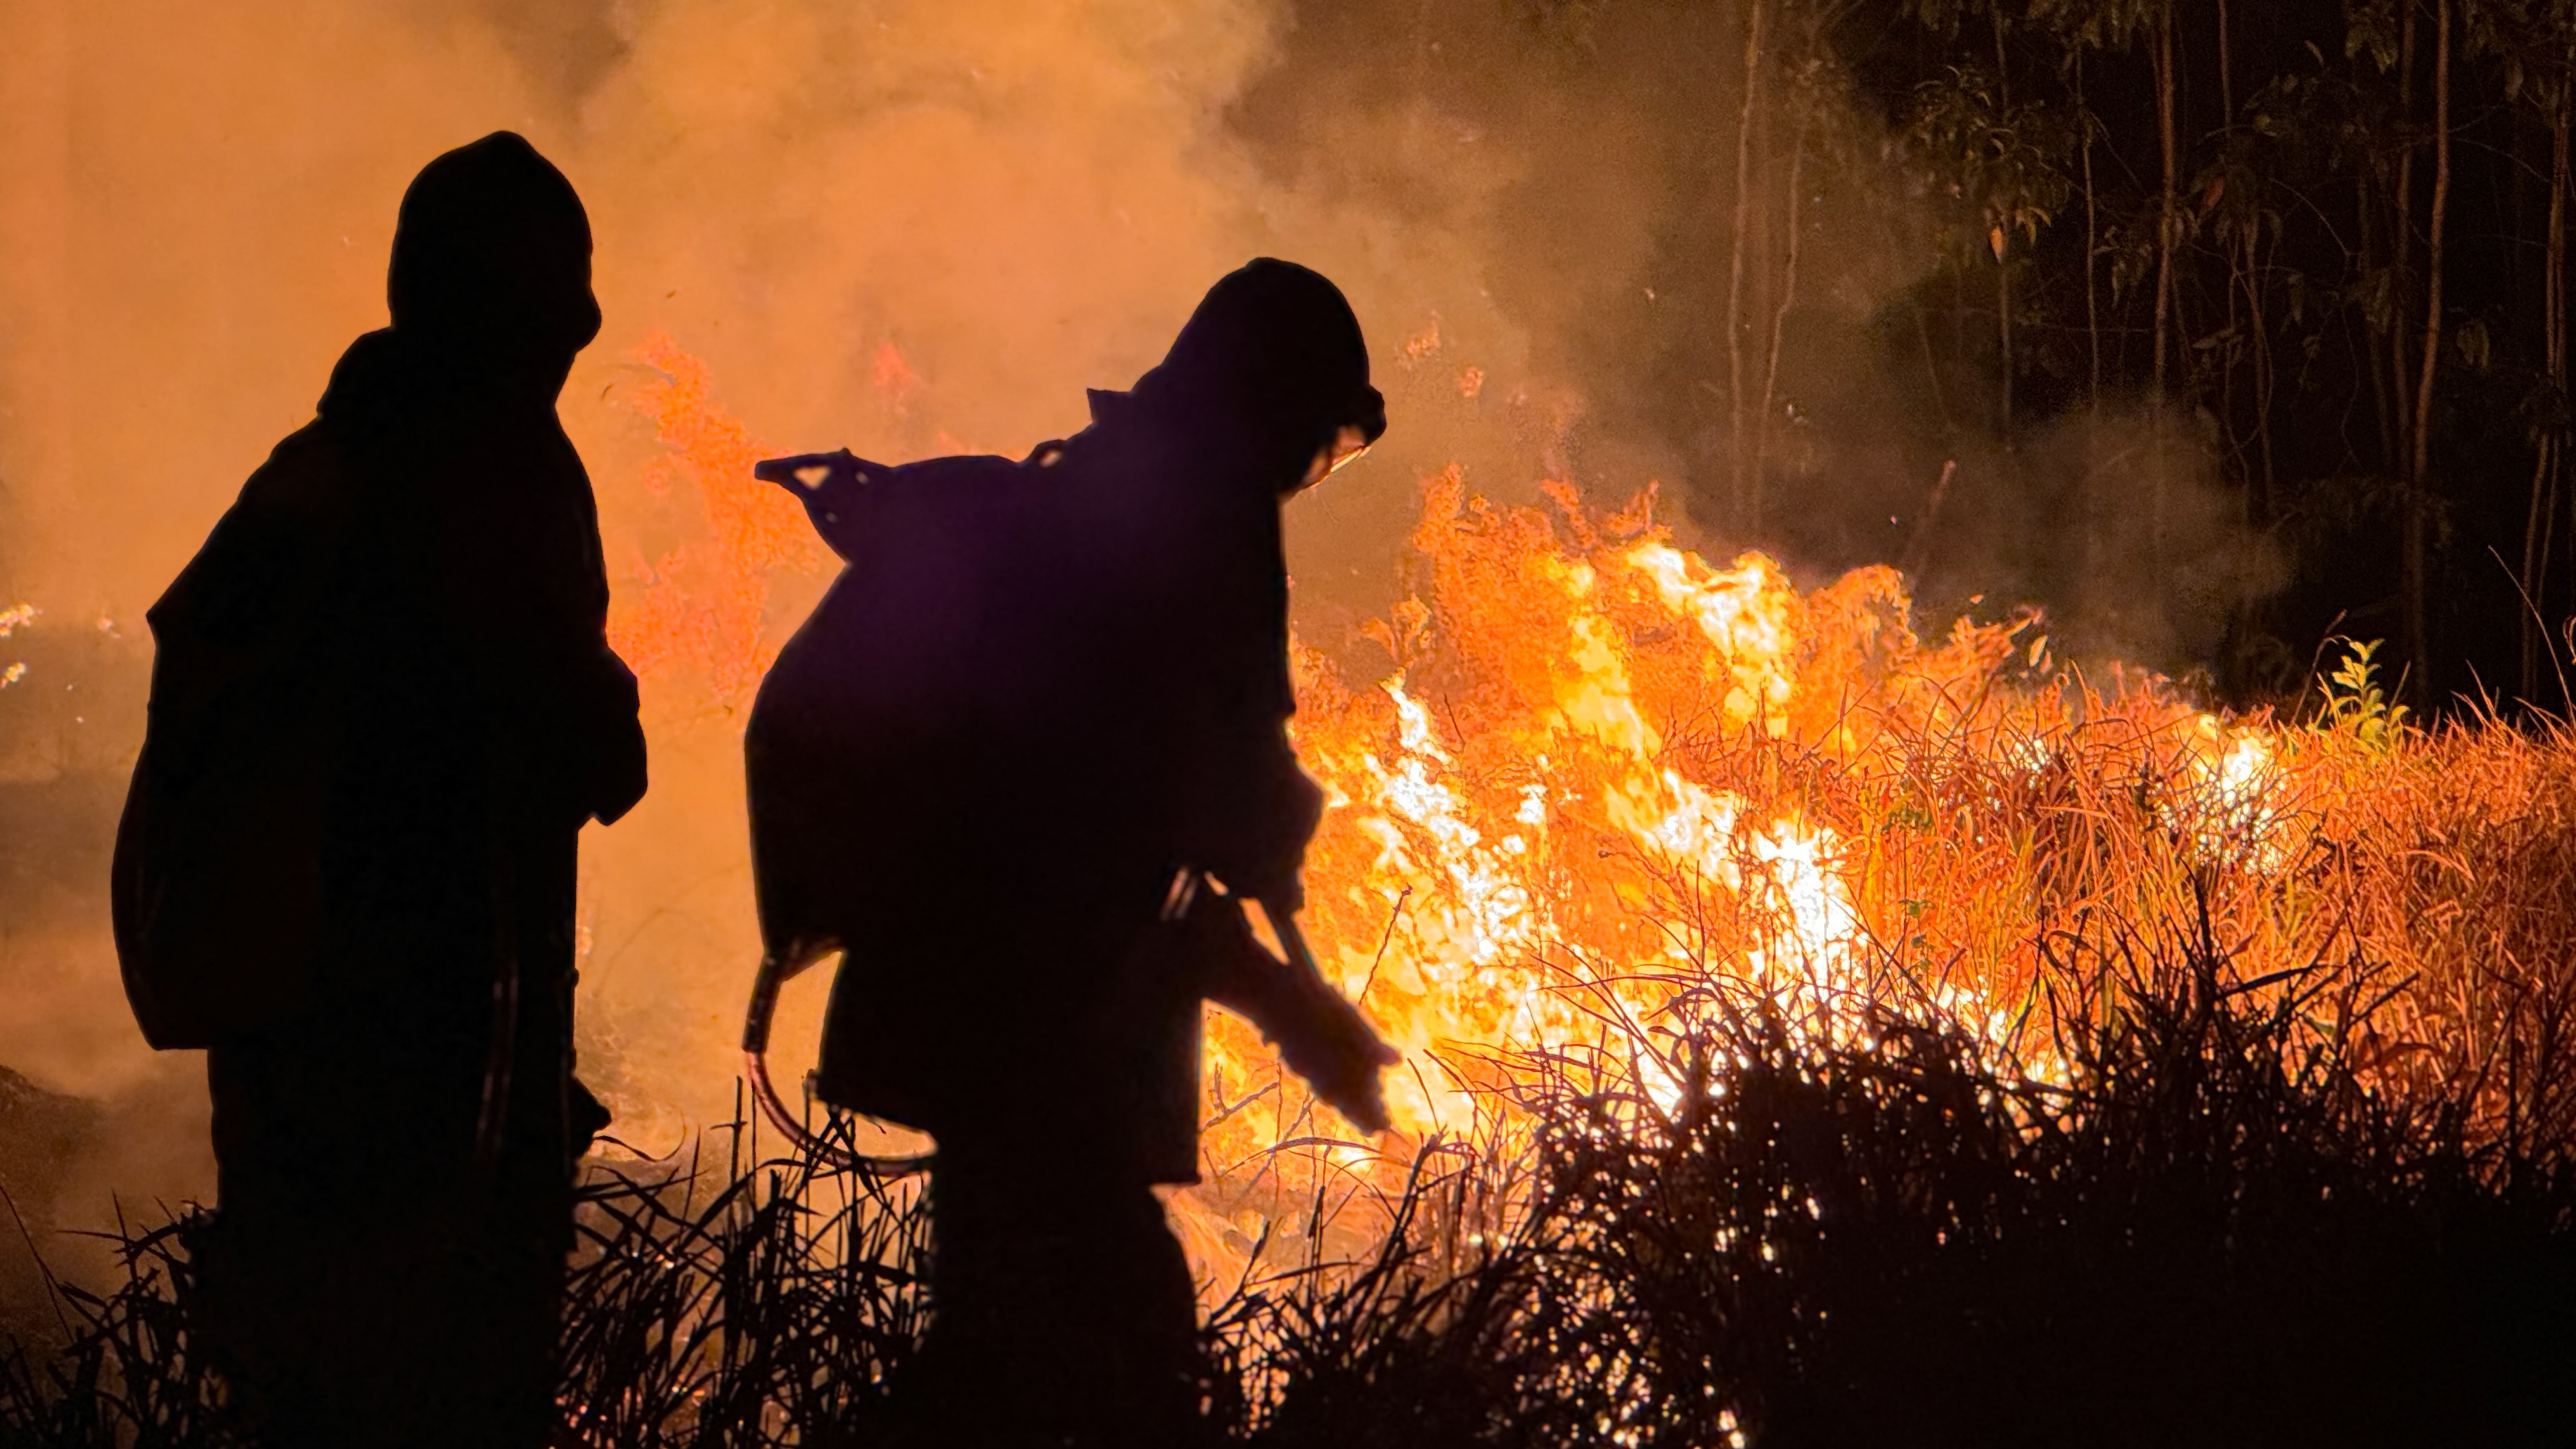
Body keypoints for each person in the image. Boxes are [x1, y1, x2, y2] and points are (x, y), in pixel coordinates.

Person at [744, 258, 1391, 1448]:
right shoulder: (1206, 508)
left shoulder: (1109, 490)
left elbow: (1149, 824)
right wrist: (1294, 982)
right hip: (1033, 1026)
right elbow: (1187, 803)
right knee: (1108, 1355)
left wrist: (1287, 996)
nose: (1312, 467)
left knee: (1007, 1357)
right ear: (1274, 403)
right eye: (1318, 435)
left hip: (982, 1012)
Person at [111, 132, 644, 1448]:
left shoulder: (322, 463)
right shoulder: (484, 462)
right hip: (424, 1075)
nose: (584, 322)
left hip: (290, 1057)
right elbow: (579, 752)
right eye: (564, 285)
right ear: (508, 300)